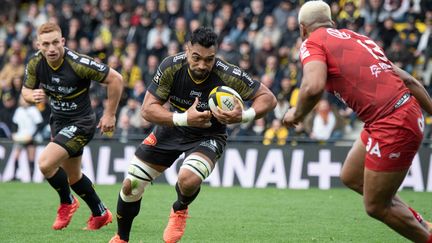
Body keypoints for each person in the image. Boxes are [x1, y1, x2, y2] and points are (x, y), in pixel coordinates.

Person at [109, 27, 277, 243]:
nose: (202, 65)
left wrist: (243, 116)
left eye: (209, 59)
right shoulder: (171, 66)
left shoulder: (226, 73)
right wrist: (183, 118)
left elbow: (268, 97)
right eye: (196, 58)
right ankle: (122, 238)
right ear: (187, 50)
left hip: (209, 134)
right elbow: (147, 109)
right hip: (171, 128)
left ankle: (180, 208)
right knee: (130, 185)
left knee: (188, 179)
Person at [282, 1, 432, 242]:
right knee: (351, 175)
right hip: (399, 113)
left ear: (302, 29)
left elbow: (313, 86)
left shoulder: (312, 42)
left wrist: (295, 114)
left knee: (376, 206)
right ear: (331, 21)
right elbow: (408, 80)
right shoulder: (357, 37)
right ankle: (422, 223)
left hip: (391, 122)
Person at [21, 22, 123, 231]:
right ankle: (100, 213)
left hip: (82, 122)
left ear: (63, 42)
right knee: (73, 176)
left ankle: (67, 202)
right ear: (38, 45)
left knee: (46, 164)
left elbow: (116, 79)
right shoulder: (35, 63)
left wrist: (110, 114)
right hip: (58, 122)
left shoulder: (79, 63)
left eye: (55, 43)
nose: (51, 48)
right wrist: (31, 95)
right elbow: (25, 90)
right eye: (46, 44)